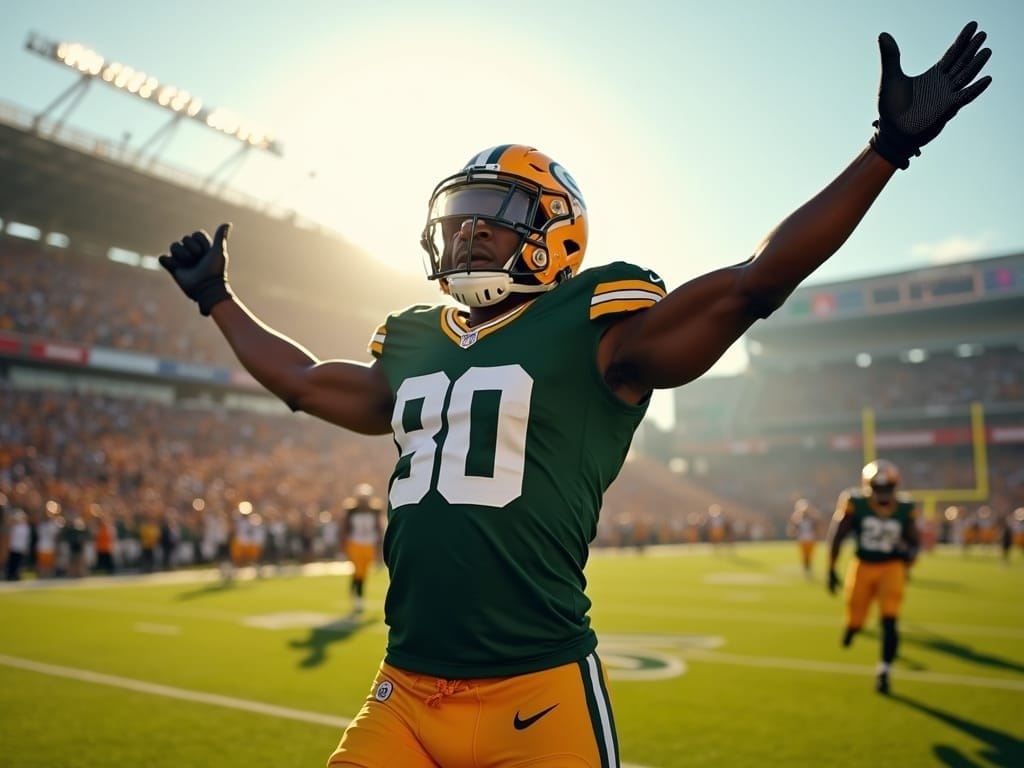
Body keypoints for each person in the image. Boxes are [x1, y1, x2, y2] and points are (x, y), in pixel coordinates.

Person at [158, 21, 991, 767]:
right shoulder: (412, 338)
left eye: (495, 213)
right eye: (462, 214)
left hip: (539, 692)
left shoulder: (598, 323)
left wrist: (886, 148)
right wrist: (218, 302)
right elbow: (303, 382)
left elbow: (751, 285)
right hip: (403, 692)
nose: (470, 229)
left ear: (556, 231)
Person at [826, 459, 920, 695]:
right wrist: (831, 567)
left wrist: (909, 555)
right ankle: (852, 628)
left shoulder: (905, 507)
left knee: (890, 620)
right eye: (877, 488)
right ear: (868, 486)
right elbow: (839, 534)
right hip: (862, 566)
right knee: (855, 618)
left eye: (886, 487)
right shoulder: (855, 503)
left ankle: (884, 671)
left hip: (891, 567)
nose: (882, 493)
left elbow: (914, 541)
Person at [340, 483, 385, 616]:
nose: (363, 501)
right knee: (359, 571)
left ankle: (355, 592)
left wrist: (379, 550)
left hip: (369, 544)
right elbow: (345, 528)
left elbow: (379, 529)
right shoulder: (351, 511)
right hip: (355, 543)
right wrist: (343, 546)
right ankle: (358, 598)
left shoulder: (375, 511)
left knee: (363, 572)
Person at [787, 498, 823, 579]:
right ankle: (806, 568)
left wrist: (818, 534)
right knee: (804, 555)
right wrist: (793, 533)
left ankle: (808, 567)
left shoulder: (812, 519)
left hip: (810, 539)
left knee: (809, 555)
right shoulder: (798, 519)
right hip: (802, 539)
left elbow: (816, 526)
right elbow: (793, 528)